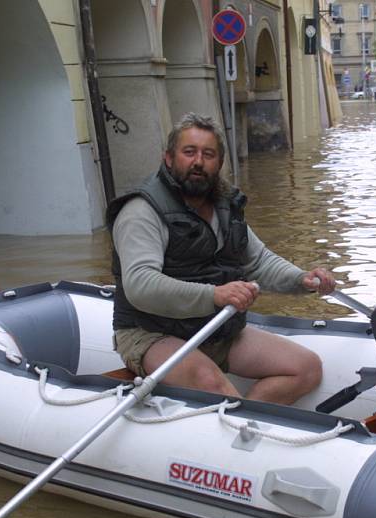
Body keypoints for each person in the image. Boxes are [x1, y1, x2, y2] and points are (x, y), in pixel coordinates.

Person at [106, 113, 336, 405]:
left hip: (210, 327)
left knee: (305, 368)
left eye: (208, 154)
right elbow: (141, 286)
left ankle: (249, 427)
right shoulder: (141, 212)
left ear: (220, 162)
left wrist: (302, 279)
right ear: (168, 158)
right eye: (189, 152)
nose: (198, 162)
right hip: (149, 332)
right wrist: (215, 295)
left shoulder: (224, 205)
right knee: (213, 386)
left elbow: (258, 261)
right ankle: (244, 427)